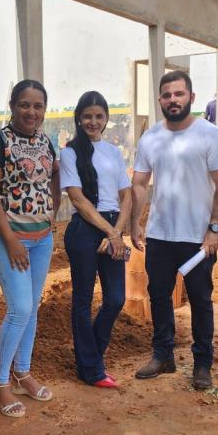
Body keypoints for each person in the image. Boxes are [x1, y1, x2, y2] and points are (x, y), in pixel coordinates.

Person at [130, 70, 218, 390]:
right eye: (167, 95)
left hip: (198, 237)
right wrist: (135, 221)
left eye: (179, 94)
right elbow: (138, 183)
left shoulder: (210, 135)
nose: (173, 100)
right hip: (160, 234)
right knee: (158, 295)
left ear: (191, 97)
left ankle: (202, 363)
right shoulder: (151, 138)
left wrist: (214, 228)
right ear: (160, 100)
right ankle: (163, 356)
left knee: (201, 299)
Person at [0, 79, 60, 418]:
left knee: (33, 307)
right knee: (19, 308)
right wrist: (11, 239)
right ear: (12, 105)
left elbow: (52, 176)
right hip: (9, 239)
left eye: (38, 106)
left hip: (42, 239)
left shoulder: (46, 141)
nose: (31, 111)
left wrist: (53, 210)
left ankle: (22, 371)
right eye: (25, 104)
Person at [60, 91, 132, 388]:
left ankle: (91, 356)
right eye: (87, 116)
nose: (93, 121)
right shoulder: (70, 153)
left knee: (116, 299)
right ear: (79, 118)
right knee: (83, 300)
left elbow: (126, 196)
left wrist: (118, 232)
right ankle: (91, 369)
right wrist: (110, 232)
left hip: (112, 226)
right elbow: (78, 200)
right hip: (86, 230)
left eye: (99, 116)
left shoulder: (114, 152)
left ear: (106, 119)